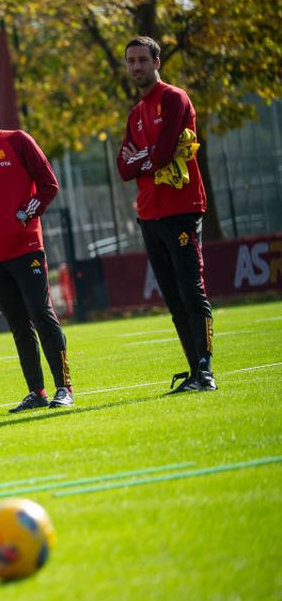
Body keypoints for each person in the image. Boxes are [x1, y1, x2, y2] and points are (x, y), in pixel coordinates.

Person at [0, 86, 73, 413]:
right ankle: (36, 392)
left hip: (26, 249)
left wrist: (27, 214)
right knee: (18, 324)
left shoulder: (18, 141)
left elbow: (49, 184)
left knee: (40, 313)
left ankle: (65, 388)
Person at [118, 36, 216, 393]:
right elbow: (123, 168)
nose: (136, 66)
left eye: (142, 59)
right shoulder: (135, 113)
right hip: (149, 214)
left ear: (156, 62)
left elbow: (159, 156)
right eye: (131, 61)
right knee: (174, 299)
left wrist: (141, 156)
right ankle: (194, 373)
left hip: (181, 210)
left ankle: (206, 372)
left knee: (192, 291)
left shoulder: (174, 98)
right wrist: (146, 156)